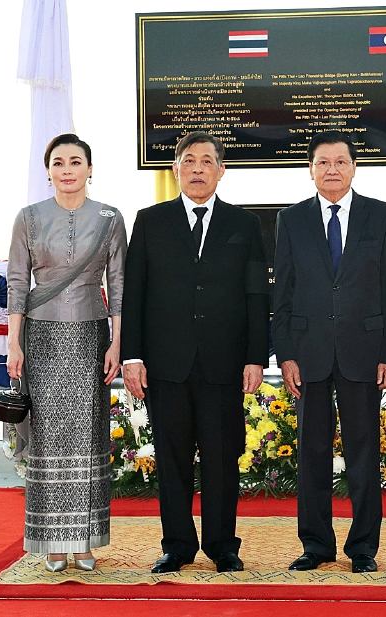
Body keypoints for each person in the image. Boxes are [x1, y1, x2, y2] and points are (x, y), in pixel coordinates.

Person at [120, 131, 270, 574]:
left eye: (207, 160)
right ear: (176, 170)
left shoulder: (244, 225)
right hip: (166, 363)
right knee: (171, 458)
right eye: (189, 160)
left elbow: (256, 295)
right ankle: (177, 546)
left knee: (223, 457)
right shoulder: (150, 221)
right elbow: (135, 293)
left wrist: (255, 357)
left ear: (221, 170)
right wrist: (132, 356)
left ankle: (223, 545)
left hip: (224, 363)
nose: (198, 168)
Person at [272, 130, 386, 574]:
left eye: (340, 162)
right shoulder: (290, 220)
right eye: (323, 162)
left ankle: (363, 546)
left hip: (364, 351)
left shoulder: (381, 216)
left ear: (353, 167)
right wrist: (285, 354)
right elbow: (282, 291)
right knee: (311, 452)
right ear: (310, 169)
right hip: (308, 352)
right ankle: (316, 544)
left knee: (364, 451)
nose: (332, 169)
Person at [6, 133, 127, 572]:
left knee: (88, 437)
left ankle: (84, 542)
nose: (67, 170)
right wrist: (13, 342)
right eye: (59, 162)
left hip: (92, 337)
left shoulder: (110, 218)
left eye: (76, 161)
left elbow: (118, 283)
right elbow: (17, 282)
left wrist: (117, 342)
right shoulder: (28, 218)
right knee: (49, 437)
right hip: (40, 337)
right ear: (48, 171)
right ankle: (52, 543)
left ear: (90, 169)